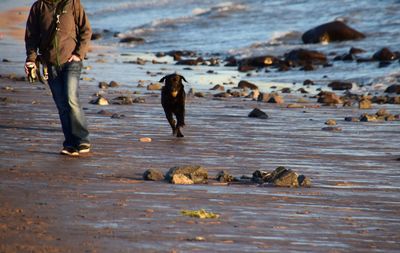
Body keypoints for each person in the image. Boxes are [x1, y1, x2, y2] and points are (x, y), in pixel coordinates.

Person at [25, 0, 92, 156]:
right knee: (62, 105)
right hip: (49, 63)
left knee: (71, 99)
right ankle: (70, 144)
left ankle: (82, 140)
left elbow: (86, 30)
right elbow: (31, 36)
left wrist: (78, 54)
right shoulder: (38, 7)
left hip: (71, 61)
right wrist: (31, 59)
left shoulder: (73, 3)